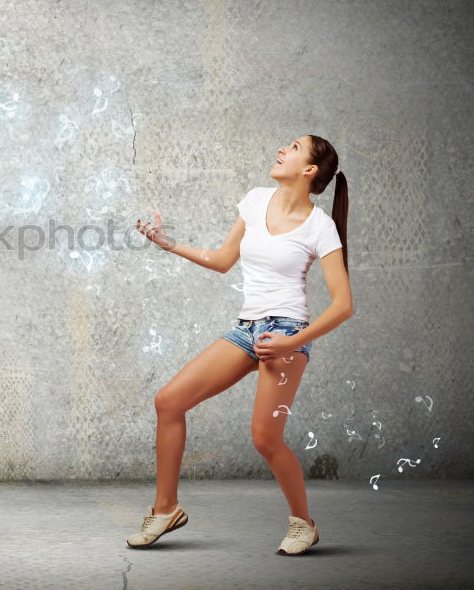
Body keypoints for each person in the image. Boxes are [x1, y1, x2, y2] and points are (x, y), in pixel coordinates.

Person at [126, 134, 353, 555]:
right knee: (169, 401)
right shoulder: (254, 200)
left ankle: (304, 524)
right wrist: (167, 243)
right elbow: (222, 260)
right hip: (246, 330)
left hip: (287, 333)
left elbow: (343, 306)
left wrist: (293, 341)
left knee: (265, 438)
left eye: (294, 148)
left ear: (309, 171)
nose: (281, 149)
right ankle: (165, 509)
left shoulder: (320, 226)